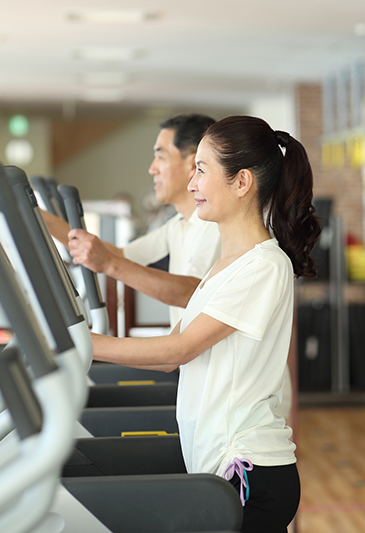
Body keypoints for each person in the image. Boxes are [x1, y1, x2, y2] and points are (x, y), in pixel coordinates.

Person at [86, 115, 321, 532]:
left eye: (201, 169)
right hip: (218, 464)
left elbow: (179, 350)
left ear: (241, 181)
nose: (192, 183)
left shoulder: (264, 266)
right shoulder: (224, 266)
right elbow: (167, 357)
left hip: (248, 472)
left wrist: (83, 345)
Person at [43, 113, 220, 327]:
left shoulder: (214, 224)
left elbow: (191, 292)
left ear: (193, 163)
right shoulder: (177, 225)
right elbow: (116, 255)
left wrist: (110, 265)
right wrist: (43, 220)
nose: (152, 168)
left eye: (161, 157)